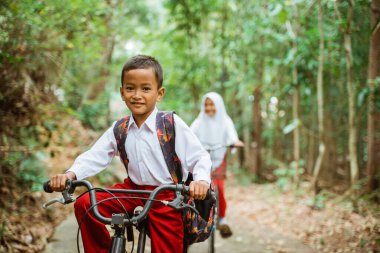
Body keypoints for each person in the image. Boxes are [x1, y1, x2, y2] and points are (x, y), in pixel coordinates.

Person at [48, 55, 212, 253]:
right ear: (122, 92)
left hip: (166, 196)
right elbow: (95, 155)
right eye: (130, 88)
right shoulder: (121, 128)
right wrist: (69, 175)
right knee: (86, 205)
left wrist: (201, 181)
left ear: (159, 93)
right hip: (132, 191)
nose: (137, 95)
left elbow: (199, 156)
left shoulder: (170, 124)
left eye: (145, 88)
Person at [190, 92, 243, 238]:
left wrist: (235, 142)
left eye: (212, 104)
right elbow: (189, 136)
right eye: (206, 104)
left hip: (219, 159)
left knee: (218, 187)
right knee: (199, 188)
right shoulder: (199, 121)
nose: (209, 107)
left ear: (218, 105)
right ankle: (198, 218)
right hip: (201, 160)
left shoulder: (225, 121)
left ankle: (222, 219)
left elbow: (232, 136)